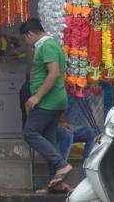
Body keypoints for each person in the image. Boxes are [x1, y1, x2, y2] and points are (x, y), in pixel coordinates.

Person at [20, 18, 72, 189]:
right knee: (50, 139)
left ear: (30, 34)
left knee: (30, 132)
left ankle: (62, 165)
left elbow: (54, 74)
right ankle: (57, 183)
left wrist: (36, 97)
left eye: (25, 38)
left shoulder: (47, 45)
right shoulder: (48, 45)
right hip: (53, 101)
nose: (26, 43)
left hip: (48, 101)